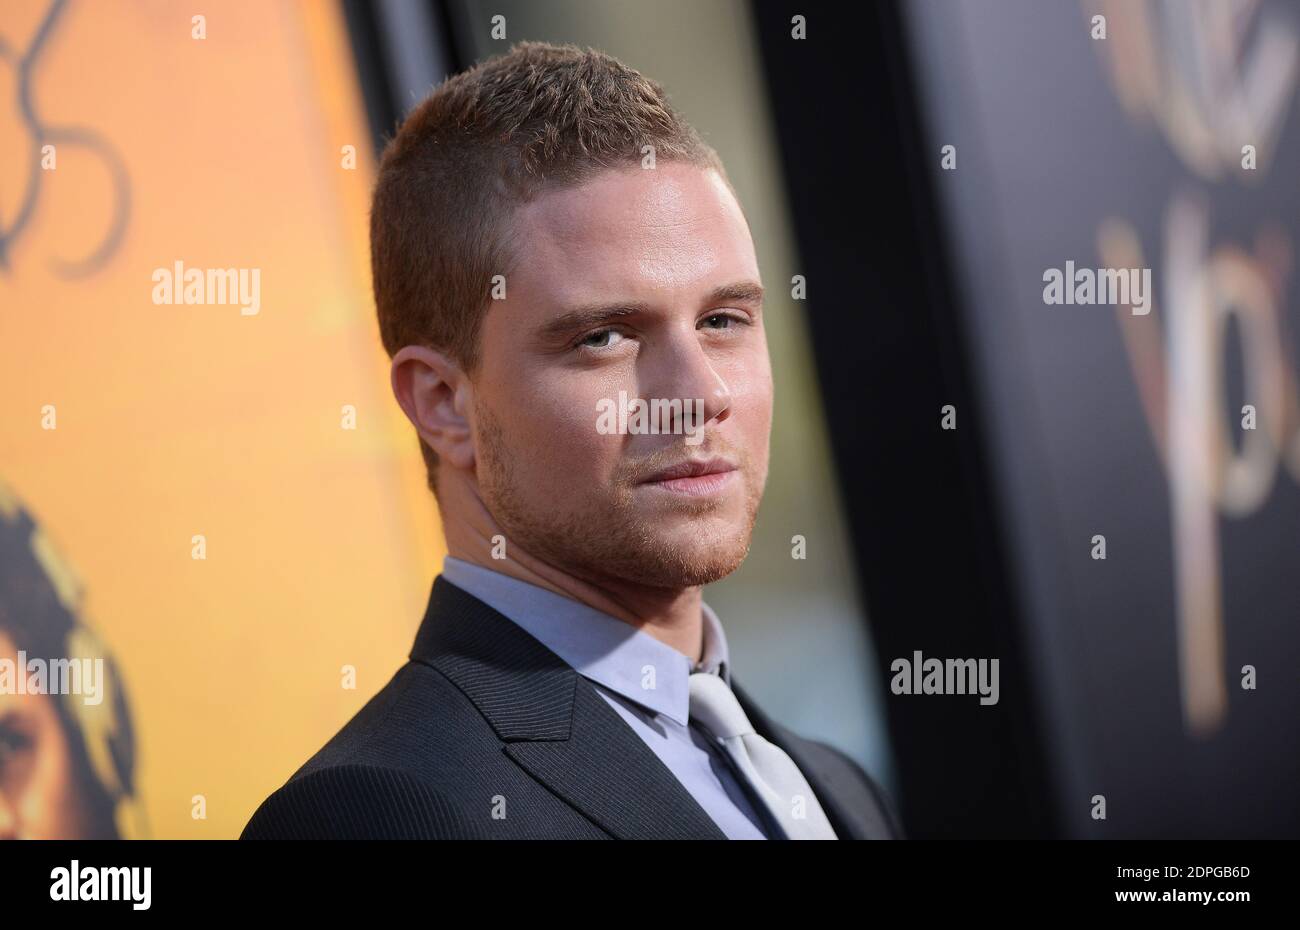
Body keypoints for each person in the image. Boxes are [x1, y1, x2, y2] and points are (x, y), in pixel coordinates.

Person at [242, 40, 900, 840]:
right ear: (444, 403)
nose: (700, 396)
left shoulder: (831, 787)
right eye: (604, 338)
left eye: (723, 320)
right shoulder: (380, 813)